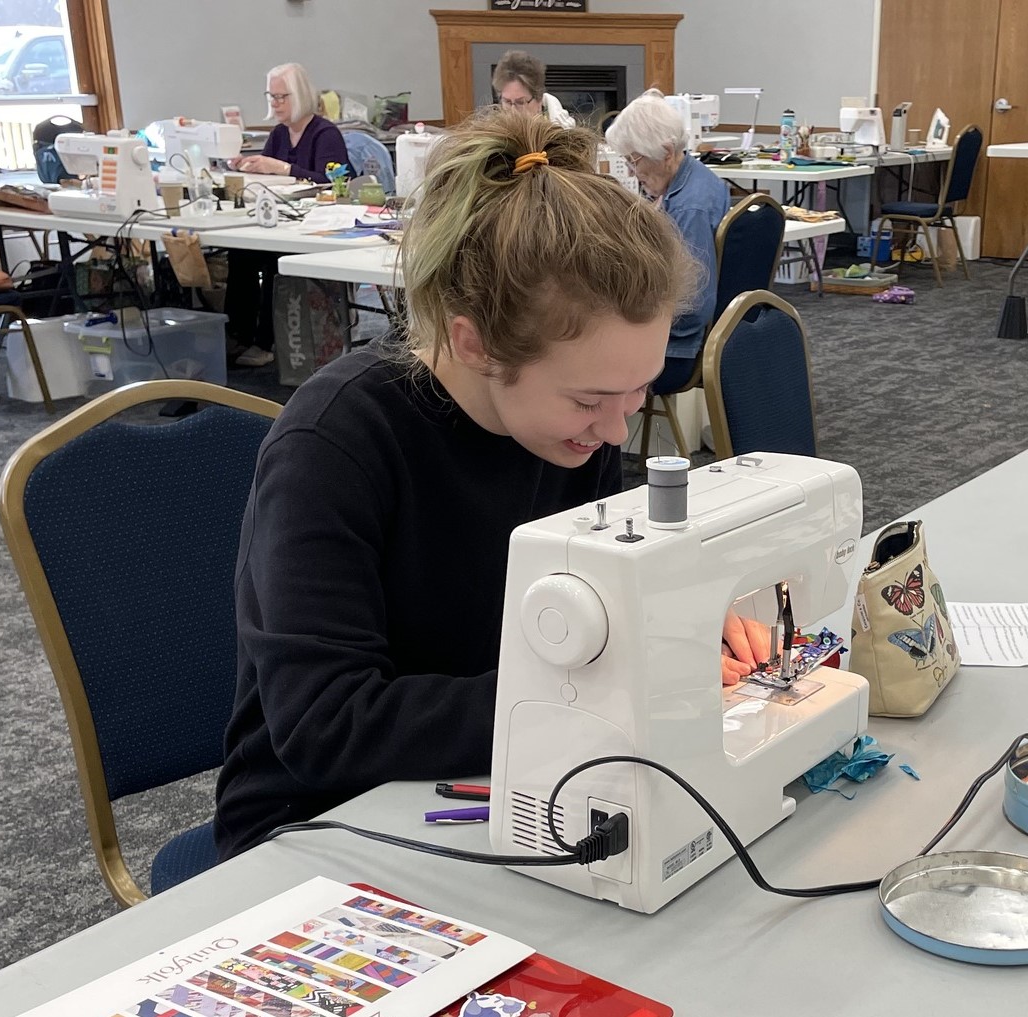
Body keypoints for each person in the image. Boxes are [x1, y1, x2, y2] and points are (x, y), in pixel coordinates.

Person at [214, 111, 765, 859]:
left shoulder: (567, 430)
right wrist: (609, 695)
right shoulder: (335, 445)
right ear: (473, 343)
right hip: (320, 820)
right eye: (590, 399)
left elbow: (588, 610)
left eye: (636, 396)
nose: (614, 434)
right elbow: (326, 725)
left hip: (509, 775)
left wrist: (687, 625)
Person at [604, 88, 731, 396]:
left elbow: (694, 304)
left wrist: (638, 330)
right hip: (685, 342)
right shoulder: (697, 179)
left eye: (635, 161)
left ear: (667, 152)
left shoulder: (689, 209)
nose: (633, 173)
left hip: (676, 353)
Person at [224, 63, 350, 367]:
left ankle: (265, 341)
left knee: (273, 260)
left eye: (282, 97)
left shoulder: (325, 134)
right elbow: (269, 176)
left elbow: (332, 183)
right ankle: (235, 335)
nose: (275, 104)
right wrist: (247, 166)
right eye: (272, 97)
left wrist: (283, 169)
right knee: (239, 252)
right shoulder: (279, 135)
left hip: (318, 224)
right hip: (284, 219)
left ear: (301, 96)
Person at [491, 50, 575, 128]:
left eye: (520, 102)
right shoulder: (493, 131)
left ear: (539, 100)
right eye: (507, 102)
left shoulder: (563, 133)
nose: (513, 112)